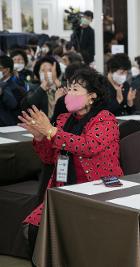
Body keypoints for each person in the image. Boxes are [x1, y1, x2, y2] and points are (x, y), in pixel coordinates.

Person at [19, 67, 123, 256]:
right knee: (32, 228)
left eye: (75, 89)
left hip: (97, 189)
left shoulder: (105, 119)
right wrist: (41, 138)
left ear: (91, 96)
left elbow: (89, 146)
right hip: (63, 190)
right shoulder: (63, 119)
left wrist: (51, 132)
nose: (69, 94)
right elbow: (49, 158)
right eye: (69, 88)